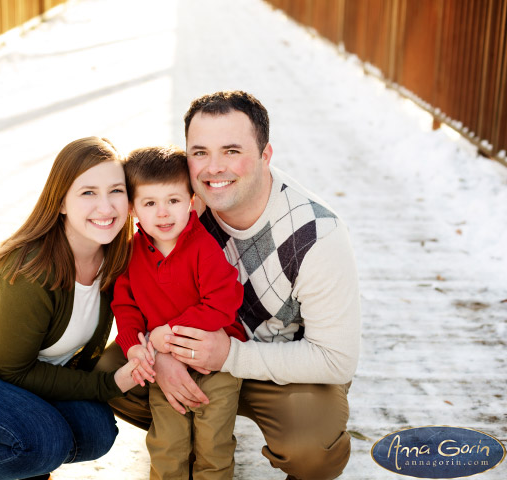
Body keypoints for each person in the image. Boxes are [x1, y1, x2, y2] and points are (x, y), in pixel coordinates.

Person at [97, 91, 361, 480]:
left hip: (280, 367)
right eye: (199, 152)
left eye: (232, 150)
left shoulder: (316, 234)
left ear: (265, 155)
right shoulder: (182, 209)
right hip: (189, 349)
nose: (213, 168)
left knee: (312, 448)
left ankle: (219, 446)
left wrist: (228, 357)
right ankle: (185, 440)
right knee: (110, 373)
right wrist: (163, 349)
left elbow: (336, 359)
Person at [0, 137, 142, 480]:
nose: (106, 206)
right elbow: (13, 370)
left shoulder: (116, 256)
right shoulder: (31, 272)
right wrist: (108, 385)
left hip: (28, 379)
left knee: (97, 435)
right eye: (88, 192)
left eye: (116, 190)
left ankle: (23, 466)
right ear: (62, 202)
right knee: (44, 443)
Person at [111, 146, 248, 480]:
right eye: (150, 203)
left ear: (191, 201)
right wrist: (133, 344)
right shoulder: (131, 254)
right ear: (132, 209)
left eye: (173, 201)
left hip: (215, 363)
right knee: (167, 443)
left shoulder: (202, 247)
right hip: (164, 363)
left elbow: (223, 301)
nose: (163, 213)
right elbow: (125, 305)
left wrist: (168, 332)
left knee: (212, 444)